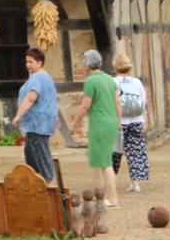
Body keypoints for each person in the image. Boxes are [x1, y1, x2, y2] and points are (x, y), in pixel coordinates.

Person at [70, 49, 121, 208]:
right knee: (96, 159)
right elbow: (117, 102)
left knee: (105, 162)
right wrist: (119, 122)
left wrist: (74, 124)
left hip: (99, 124)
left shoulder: (91, 82)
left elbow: (85, 106)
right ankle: (99, 196)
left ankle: (113, 200)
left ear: (87, 64)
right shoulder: (110, 79)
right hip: (111, 122)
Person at [10, 47, 59, 182]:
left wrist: (18, 115)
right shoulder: (47, 77)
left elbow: (31, 98)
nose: (28, 65)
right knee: (31, 153)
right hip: (40, 123)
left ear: (40, 62)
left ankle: (46, 182)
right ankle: (35, 181)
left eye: (31, 62)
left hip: (38, 124)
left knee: (40, 155)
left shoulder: (37, 78)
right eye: (27, 62)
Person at [111, 53, 150, 192]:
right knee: (135, 152)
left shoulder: (113, 82)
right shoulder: (137, 82)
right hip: (136, 120)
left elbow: (112, 103)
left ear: (115, 67)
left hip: (120, 122)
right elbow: (144, 101)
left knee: (115, 152)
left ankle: (111, 182)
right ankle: (135, 184)